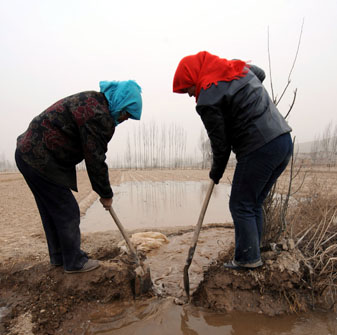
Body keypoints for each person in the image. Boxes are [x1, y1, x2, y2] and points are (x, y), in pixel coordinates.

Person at [173, 51, 293, 269]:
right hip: (282, 142)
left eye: (188, 88)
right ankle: (253, 253)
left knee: (240, 204)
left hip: (258, 147)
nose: (190, 95)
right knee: (253, 203)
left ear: (194, 78)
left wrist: (215, 174)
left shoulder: (207, 99)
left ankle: (247, 260)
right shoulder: (238, 70)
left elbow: (221, 145)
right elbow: (260, 72)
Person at [15, 80, 142, 273]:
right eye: (125, 113)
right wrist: (105, 193)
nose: (124, 119)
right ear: (119, 102)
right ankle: (74, 262)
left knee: (51, 210)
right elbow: (95, 159)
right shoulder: (99, 116)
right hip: (40, 157)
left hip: (26, 154)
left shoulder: (94, 101)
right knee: (67, 210)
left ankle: (59, 258)